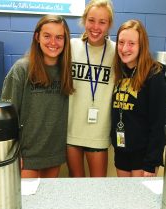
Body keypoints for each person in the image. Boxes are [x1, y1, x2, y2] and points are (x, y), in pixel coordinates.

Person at [1, 15, 73, 178]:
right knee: (26, 202)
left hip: (54, 154)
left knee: (47, 202)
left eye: (59, 37)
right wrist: (12, 153)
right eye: (47, 36)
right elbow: (6, 118)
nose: (53, 43)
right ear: (37, 37)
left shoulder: (66, 71)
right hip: (26, 156)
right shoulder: (22, 69)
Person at [111, 19, 166, 177]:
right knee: (124, 198)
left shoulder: (154, 76)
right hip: (122, 150)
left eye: (131, 43)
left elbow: (159, 124)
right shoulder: (120, 71)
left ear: (141, 45)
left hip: (143, 156)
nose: (124, 48)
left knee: (140, 200)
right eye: (121, 42)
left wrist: (151, 163)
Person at [67, 0, 115, 177]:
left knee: (97, 187)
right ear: (84, 20)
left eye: (102, 22)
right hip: (72, 129)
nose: (96, 27)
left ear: (109, 25)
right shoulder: (71, 46)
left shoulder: (117, 51)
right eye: (91, 20)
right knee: (76, 184)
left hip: (99, 132)